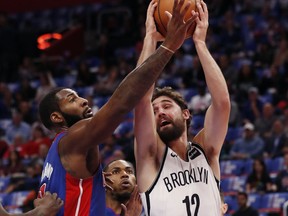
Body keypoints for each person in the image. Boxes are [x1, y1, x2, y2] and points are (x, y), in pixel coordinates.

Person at [37, 0, 198, 215]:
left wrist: (150, 40)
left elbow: (138, 95)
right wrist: (168, 47)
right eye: (72, 100)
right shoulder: (70, 140)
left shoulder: (55, 164)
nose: (84, 100)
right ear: (57, 117)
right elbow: (122, 103)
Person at [134, 0, 230, 215]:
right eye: (155, 110)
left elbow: (222, 103)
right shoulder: (151, 158)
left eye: (166, 106)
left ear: (186, 113)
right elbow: (140, 97)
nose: (160, 113)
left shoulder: (206, 151)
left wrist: (200, 44)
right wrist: (150, 39)